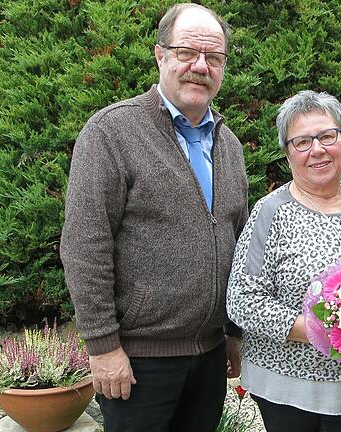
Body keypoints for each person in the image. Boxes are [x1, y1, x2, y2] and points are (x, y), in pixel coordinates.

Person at [59, 4, 248, 431]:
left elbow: (238, 243)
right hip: (138, 363)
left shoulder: (229, 145)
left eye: (213, 57)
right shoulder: (111, 132)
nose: (200, 66)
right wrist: (104, 347)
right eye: (187, 52)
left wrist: (232, 332)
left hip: (209, 356)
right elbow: (85, 244)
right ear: (160, 55)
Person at [226, 90, 341, 432]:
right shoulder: (271, 212)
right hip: (287, 384)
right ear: (288, 154)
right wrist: (319, 330)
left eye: (327, 136)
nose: (317, 149)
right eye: (302, 142)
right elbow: (241, 299)